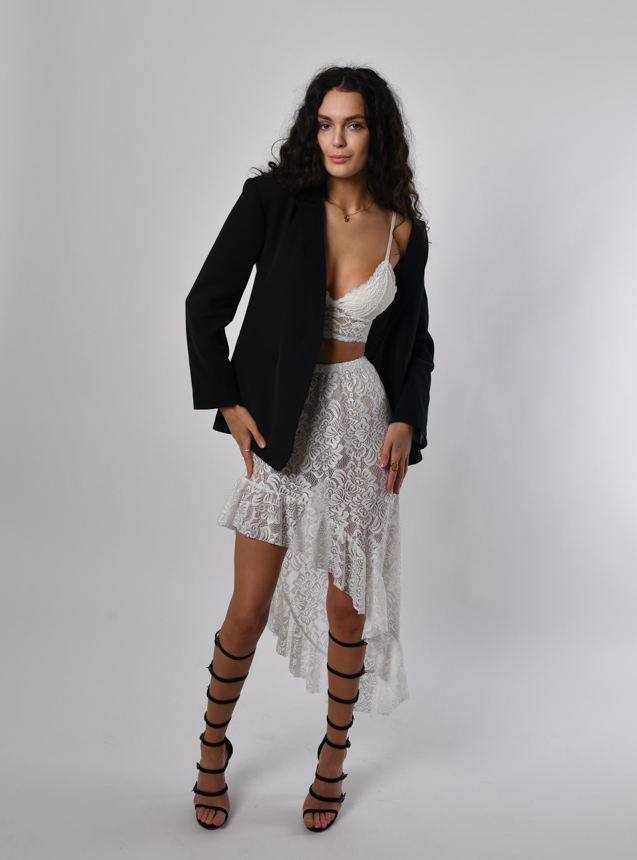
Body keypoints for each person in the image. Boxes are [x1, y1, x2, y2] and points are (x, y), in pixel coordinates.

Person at [185, 65, 434, 833]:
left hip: (361, 423)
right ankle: (212, 747)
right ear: (311, 128)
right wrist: (228, 401)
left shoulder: (402, 229)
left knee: (345, 610)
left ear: (375, 132)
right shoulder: (273, 202)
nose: (337, 139)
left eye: (353, 124)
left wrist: (407, 420)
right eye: (325, 123)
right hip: (283, 427)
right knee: (247, 609)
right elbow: (204, 303)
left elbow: (415, 343)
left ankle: (333, 758)